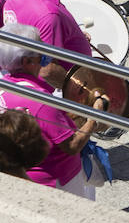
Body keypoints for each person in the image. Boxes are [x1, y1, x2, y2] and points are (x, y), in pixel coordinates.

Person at [0, 23, 110, 199]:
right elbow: (72, 145)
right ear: (27, 62)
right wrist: (94, 116)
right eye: (39, 49)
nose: (44, 52)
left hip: (23, 174)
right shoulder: (41, 100)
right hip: (57, 180)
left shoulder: (5, 86)